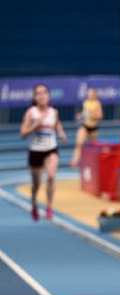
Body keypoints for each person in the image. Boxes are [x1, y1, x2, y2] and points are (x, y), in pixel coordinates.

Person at [19, 84, 68, 221]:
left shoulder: (54, 112)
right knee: (36, 184)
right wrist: (35, 125)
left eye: (45, 92)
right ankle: (34, 205)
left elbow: (57, 124)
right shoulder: (31, 112)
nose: (42, 95)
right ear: (35, 97)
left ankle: (49, 207)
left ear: (48, 95)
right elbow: (22, 134)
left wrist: (61, 133)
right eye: (38, 93)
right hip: (35, 152)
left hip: (51, 149)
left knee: (51, 177)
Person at [71, 88, 103, 167]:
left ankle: (94, 162)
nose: (89, 95)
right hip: (85, 126)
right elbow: (84, 113)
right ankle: (74, 161)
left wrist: (92, 115)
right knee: (79, 144)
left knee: (93, 147)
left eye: (91, 93)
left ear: (94, 94)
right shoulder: (85, 103)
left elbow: (100, 116)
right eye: (88, 93)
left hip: (93, 128)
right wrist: (80, 116)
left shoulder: (97, 103)